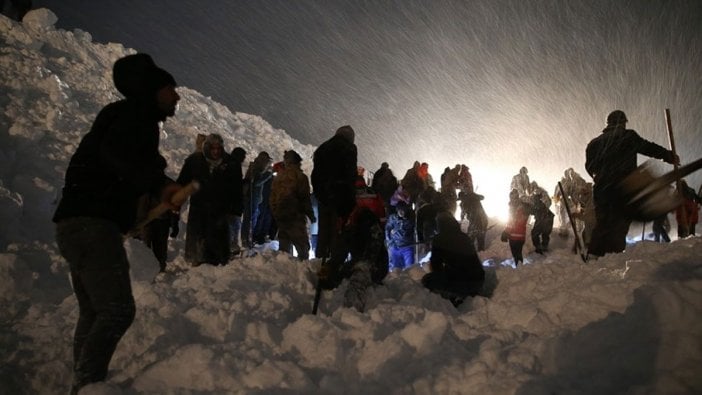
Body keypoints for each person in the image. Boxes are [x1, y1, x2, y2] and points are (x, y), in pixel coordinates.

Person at [52, 54, 181, 393]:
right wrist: (156, 183)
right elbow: (120, 156)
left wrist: (157, 187)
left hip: (74, 223)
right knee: (117, 311)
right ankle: (88, 385)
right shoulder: (134, 117)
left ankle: (84, 383)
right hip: (92, 224)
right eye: (171, 89)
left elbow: (125, 160)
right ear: (153, 90)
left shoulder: (119, 117)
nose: (176, 97)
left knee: (94, 312)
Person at [585, 110, 677, 257]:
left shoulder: (593, 144)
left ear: (608, 123)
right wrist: (668, 156)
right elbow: (649, 148)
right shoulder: (628, 137)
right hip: (622, 188)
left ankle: (595, 254)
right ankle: (613, 257)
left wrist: (602, 178)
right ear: (622, 123)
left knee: (603, 223)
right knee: (620, 223)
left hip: (601, 190)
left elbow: (590, 168)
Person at [177, 133, 238, 265]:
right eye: (212, 148)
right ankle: (197, 261)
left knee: (217, 245)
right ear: (207, 148)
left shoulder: (231, 163)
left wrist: (236, 209)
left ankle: (217, 263)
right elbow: (182, 183)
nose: (216, 151)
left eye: (218, 148)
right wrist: (176, 200)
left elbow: (236, 188)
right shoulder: (194, 161)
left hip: (220, 211)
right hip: (199, 209)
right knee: (199, 242)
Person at [311, 125, 358, 259]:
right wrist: (350, 200)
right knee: (337, 232)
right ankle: (334, 265)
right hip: (340, 197)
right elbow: (350, 175)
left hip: (323, 197)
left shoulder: (322, 148)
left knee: (323, 231)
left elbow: (315, 176)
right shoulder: (349, 148)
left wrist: (320, 194)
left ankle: (320, 262)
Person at [422, 212, 485, 306]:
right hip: (478, 279)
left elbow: (436, 265)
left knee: (427, 280)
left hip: (462, 282)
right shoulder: (464, 237)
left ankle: (452, 297)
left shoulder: (439, 239)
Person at [269, 150, 316, 260]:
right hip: (296, 217)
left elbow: (272, 198)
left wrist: (275, 213)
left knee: (284, 248)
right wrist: (311, 215)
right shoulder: (301, 177)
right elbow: (305, 199)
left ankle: (283, 270)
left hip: (281, 216)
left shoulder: (278, 177)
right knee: (302, 247)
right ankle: (301, 270)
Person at [242, 151, 273, 249]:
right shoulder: (255, 169)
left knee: (253, 219)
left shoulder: (258, 169)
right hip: (251, 198)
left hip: (256, 199)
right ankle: (246, 240)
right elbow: (256, 183)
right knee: (249, 220)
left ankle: (248, 239)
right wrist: (267, 176)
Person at [385, 201, 415, 272]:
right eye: (400, 210)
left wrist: (395, 230)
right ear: (397, 210)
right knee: (396, 269)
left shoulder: (409, 219)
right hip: (395, 248)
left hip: (407, 247)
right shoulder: (393, 218)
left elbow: (404, 232)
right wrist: (389, 242)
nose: (402, 212)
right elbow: (388, 229)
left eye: (403, 210)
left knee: (409, 269)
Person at [227, 147, 246, 255]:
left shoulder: (232, 164)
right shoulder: (234, 165)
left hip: (232, 202)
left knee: (233, 225)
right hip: (233, 203)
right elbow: (235, 185)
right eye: (243, 156)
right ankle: (230, 247)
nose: (244, 159)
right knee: (233, 225)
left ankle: (231, 246)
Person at [505, 189, 532, 265]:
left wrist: (506, 231)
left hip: (514, 236)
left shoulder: (515, 208)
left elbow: (512, 221)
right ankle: (520, 268)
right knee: (518, 254)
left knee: (516, 254)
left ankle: (519, 269)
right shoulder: (522, 207)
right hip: (521, 236)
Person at [530, 190, 554, 254]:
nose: (534, 200)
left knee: (535, 233)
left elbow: (535, 212)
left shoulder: (539, 204)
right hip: (548, 219)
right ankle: (543, 247)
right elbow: (533, 211)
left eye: (535, 198)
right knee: (544, 233)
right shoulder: (539, 204)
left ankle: (539, 248)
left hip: (546, 220)